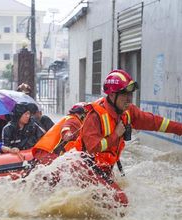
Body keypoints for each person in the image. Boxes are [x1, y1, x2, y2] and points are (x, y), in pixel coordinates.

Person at [76, 69, 182, 207]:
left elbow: (154, 122)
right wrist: (116, 135)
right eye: (124, 95)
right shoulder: (94, 116)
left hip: (104, 170)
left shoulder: (128, 111)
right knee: (121, 201)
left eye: (130, 94)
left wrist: (180, 129)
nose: (129, 99)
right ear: (112, 95)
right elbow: (92, 148)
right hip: (86, 169)